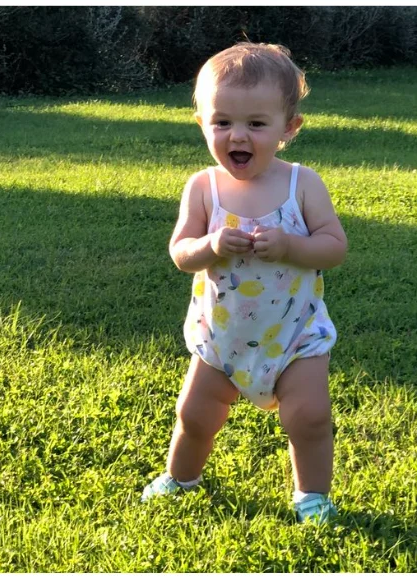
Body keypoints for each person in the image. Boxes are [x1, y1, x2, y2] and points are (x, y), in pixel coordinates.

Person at [142, 42, 348, 524]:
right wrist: (211, 245)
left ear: (288, 128)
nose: (238, 135)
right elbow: (181, 254)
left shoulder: (303, 184)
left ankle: (312, 496)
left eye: (256, 124)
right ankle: (181, 478)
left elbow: (334, 247)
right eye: (223, 122)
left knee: (310, 417)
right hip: (222, 337)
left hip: (294, 335)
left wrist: (290, 246)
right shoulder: (203, 188)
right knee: (195, 416)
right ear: (202, 123)